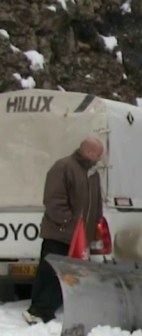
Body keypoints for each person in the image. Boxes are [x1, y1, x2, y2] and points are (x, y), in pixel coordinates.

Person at [23, 137, 104, 325]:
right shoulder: (63, 167)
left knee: (70, 276)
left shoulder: (92, 173)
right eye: (99, 154)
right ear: (89, 152)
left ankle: (47, 310)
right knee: (52, 275)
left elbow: (95, 204)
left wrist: (93, 228)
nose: (100, 158)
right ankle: (38, 312)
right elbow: (54, 201)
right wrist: (70, 224)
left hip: (80, 237)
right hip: (60, 234)